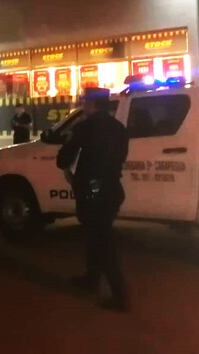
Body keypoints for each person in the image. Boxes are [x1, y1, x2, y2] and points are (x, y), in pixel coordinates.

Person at [56, 87, 129, 311]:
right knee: (95, 236)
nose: (82, 104)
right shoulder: (119, 128)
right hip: (111, 190)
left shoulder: (84, 128)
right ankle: (91, 278)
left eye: (84, 101)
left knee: (101, 242)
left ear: (91, 104)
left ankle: (120, 296)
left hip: (92, 191)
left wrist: (70, 143)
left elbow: (63, 159)